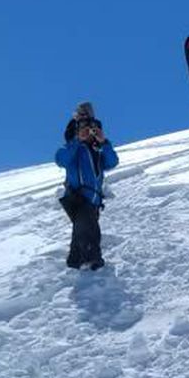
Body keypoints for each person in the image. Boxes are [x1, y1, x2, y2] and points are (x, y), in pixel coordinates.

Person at [55, 105, 118, 270]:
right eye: (83, 127)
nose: (87, 131)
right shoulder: (73, 146)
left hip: (94, 200)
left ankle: (75, 262)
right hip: (77, 196)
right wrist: (77, 141)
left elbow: (112, 162)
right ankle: (91, 261)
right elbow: (61, 159)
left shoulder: (97, 149)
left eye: (89, 128)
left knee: (83, 228)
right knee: (86, 227)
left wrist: (104, 142)